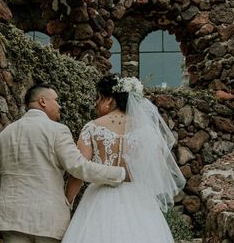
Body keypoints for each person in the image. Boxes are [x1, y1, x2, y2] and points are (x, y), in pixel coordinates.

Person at [0, 83, 126, 243]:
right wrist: (118, 173)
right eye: (56, 100)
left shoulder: (2, 136)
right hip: (47, 220)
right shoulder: (57, 131)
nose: (59, 105)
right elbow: (79, 167)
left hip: (9, 219)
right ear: (43, 101)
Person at [62, 74, 186, 243]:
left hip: (99, 198)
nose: (96, 104)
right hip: (138, 199)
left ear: (110, 100)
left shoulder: (92, 127)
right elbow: (155, 170)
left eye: (98, 98)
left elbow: (78, 172)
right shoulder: (148, 131)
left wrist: (67, 202)